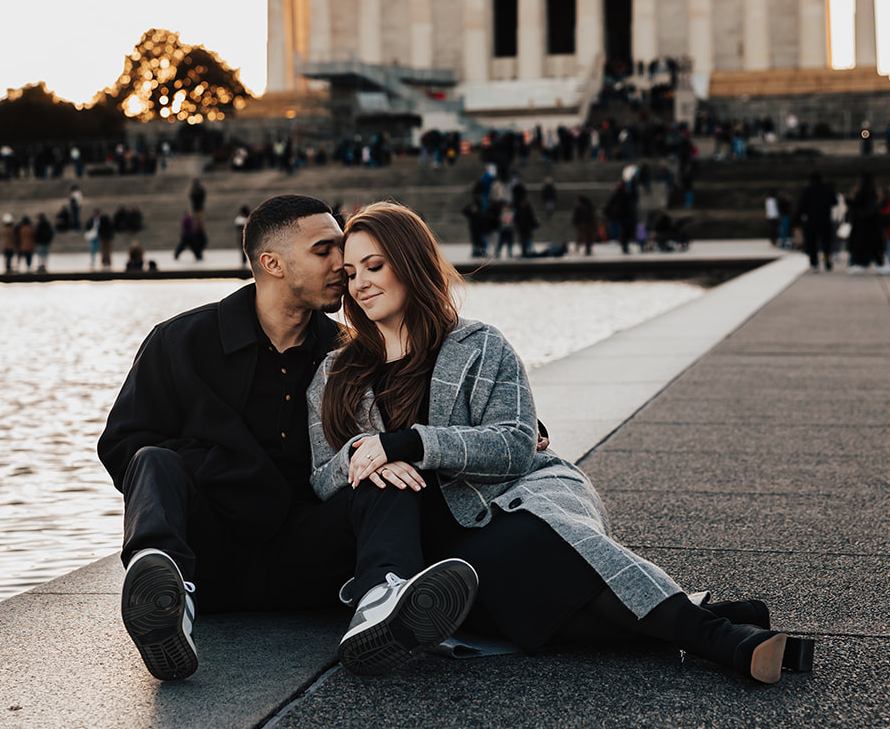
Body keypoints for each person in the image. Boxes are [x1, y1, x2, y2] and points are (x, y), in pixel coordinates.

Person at [309, 202, 814, 683]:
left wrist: (410, 444)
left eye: (374, 266)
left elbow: (514, 445)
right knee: (507, 597)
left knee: (532, 549)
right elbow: (320, 472)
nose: (361, 284)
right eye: (351, 275)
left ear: (411, 263)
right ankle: (717, 621)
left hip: (495, 507)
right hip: (418, 548)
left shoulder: (479, 345)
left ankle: (723, 640)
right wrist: (361, 456)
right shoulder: (337, 369)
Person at [99, 194, 477, 681]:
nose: (344, 264)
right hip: (204, 564)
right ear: (271, 263)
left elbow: (417, 402)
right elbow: (121, 446)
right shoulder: (181, 341)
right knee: (152, 459)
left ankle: (382, 607)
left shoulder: (349, 353)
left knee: (388, 474)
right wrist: (222, 467)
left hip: (311, 560)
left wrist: (514, 424)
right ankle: (163, 599)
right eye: (325, 251)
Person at [795, 171, 838, 273]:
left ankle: (814, 263)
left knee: (811, 243)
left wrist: (797, 220)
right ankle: (827, 258)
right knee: (826, 242)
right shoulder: (827, 189)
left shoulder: (807, 190)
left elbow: (801, 207)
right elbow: (834, 202)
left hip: (811, 221)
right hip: (825, 220)